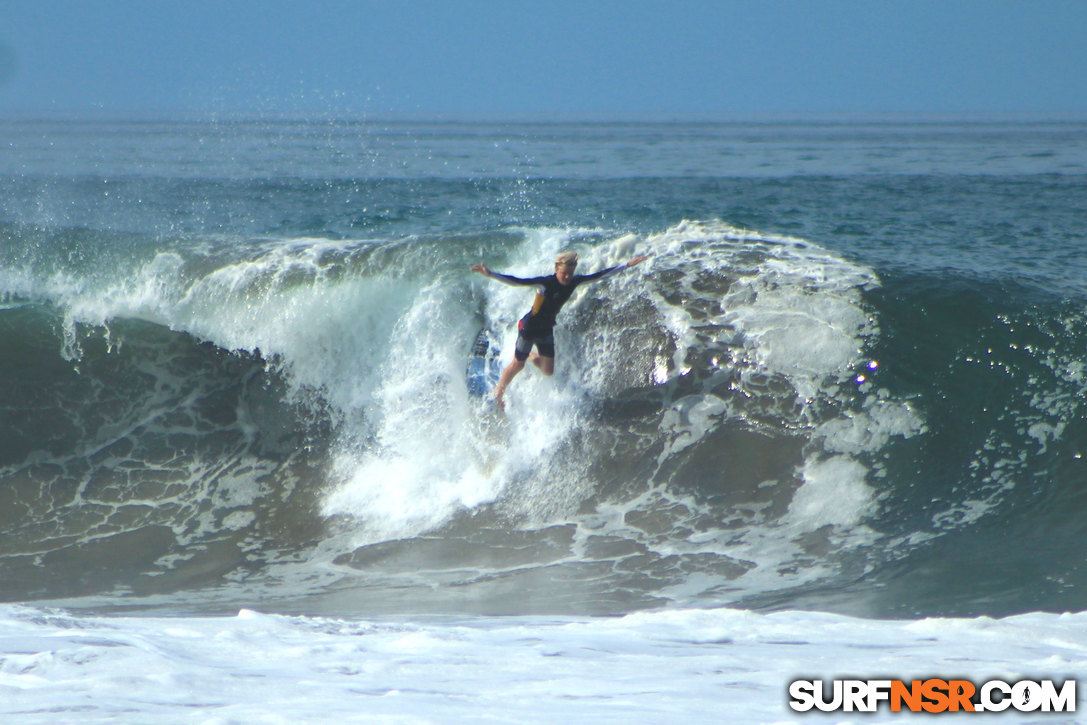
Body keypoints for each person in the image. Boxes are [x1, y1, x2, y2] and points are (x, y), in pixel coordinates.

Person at [471, 250, 647, 409]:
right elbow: (518, 282)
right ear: (556, 269)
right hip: (529, 328)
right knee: (518, 364)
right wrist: (491, 274)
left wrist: (627, 265)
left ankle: (530, 355)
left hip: (546, 329)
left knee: (548, 370)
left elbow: (600, 275)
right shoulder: (545, 283)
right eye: (564, 274)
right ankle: (499, 391)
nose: (567, 277)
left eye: (570, 274)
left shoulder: (574, 282)